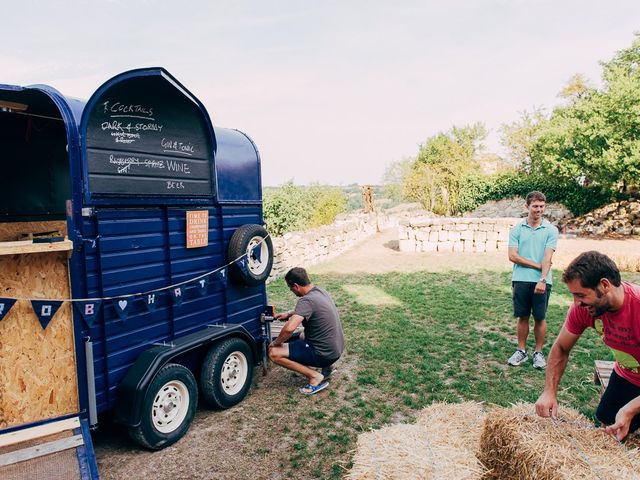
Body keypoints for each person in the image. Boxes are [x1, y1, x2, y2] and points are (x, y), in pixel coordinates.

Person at [535, 251, 640, 441]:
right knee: (609, 430)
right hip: (627, 376)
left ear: (605, 285)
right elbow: (561, 348)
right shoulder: (583, 309)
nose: (576, 303)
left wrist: (631, 408)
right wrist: (549, 391)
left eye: (581, 295)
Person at [268, 267, 345, 395]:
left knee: (273, 352)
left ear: (296, 286)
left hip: (324, 354)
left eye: (290, 288)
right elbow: (311, 309)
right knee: (303, 335)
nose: (291, 291)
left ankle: (315, 377)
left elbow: (289, 329)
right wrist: (288, 314)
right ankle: (327, 368)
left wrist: (276, 342)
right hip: (335, 349)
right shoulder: (320, 291)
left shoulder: (305, 300)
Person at [507, 191, 559, 369]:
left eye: (542, 206)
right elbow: (513, 256)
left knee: (540, 317)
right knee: (522, 316)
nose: (539, 210)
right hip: (520, 279)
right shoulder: (516, 229)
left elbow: (547, 256)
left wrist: (542, 279)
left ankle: (538, 353)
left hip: (542, 281)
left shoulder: (551, 230)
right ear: (527, 207)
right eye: (535, 206)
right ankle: (521, 351)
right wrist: (536, 266)